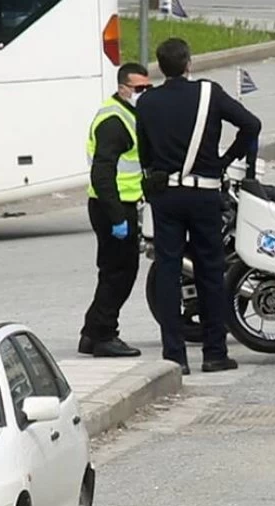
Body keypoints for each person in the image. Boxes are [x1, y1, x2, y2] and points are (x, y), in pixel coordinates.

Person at [135, 38, 262, 375]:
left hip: (166, 196)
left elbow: (144, 152)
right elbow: (252, 125)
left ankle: (174, 357)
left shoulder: (147, 102)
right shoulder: (209, 93)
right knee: (210, 271)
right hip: (204, 193)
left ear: (160, 68)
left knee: (168, 271)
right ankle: (214, 353)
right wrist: (223, 160)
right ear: (188, 63)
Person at [78, 62, 150, 358]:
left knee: (112, 272)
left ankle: (91, 333)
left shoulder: (126, 113)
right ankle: (105, 336)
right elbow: (102, 173)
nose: (144, 93)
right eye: (138, 89)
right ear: (123, 88)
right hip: (113, 206)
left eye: (148, 87)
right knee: (120, 273)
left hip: (118, 203)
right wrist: (118, 217)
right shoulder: (114, 121)